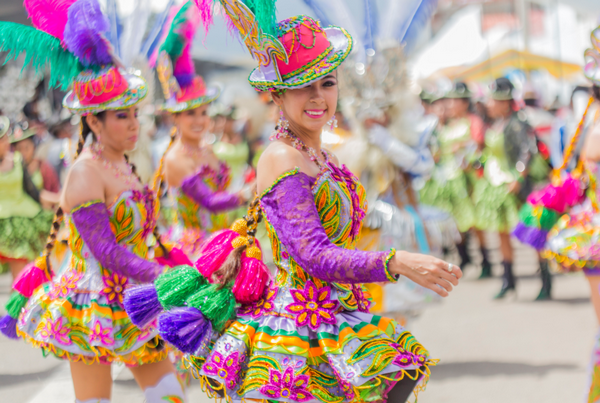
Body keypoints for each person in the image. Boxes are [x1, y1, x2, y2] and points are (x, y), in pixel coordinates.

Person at [127, 7, 463, 402]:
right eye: (304, 86)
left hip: (338, 314)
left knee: (398, 375)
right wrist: (396, 262)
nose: (318, 96)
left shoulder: (325, 157)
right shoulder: (282, 157)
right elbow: (312, 253)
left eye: (327, 82)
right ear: (278, 94)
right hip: (298, 332)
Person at [0, 1, 186, 402]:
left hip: (138, 296)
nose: (134, 123)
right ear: (93, 121)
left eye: (135, 113)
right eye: (122, 116)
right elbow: (105, 250)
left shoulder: (122, 164)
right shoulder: (85, 172)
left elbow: (142, 233)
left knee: (171, 395)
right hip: (95, 304)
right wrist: (162, 275)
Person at [151, 2, 250, 260]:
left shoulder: (207, 149)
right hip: (191, 253)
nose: (199, 120)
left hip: (220, 243)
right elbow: (210, 202)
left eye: (204, 112)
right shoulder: (175, 159)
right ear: (175, 118)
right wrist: (248, 193)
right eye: (190, 114)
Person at [473, 77, 549, 299]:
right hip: (496, 184)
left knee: (533, 230)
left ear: (505, 102)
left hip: (517, 185)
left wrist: (519, 176)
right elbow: (490, 152)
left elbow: (528, 150)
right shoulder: (494, 124)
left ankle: (545, 281)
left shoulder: (518, 123)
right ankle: (509, 280)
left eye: (494, 100)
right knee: (500, 232)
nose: (489, 104)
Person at [420, 82, 482, 273]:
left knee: (473, 220)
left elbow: (477, 143)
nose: (449, 106)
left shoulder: (470, 121)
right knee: (455, 219)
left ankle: (483, 257)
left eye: (453, 101)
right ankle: (464, 256)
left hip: (467, 176)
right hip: (447, 178)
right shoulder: (441, 128)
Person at [0, 117, 54, 280]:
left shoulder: (17, 161)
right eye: (4, 139)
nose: (7, 142)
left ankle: (19, 305)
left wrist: (59, 200)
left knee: (20, 276)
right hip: (2, 225)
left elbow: (33, 193)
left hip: (21, 224)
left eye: (6, 139)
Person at [10, 122, 61, 198]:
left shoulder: (44, 168)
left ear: (33, 147)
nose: (23, 153)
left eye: (27, 148)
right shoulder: (10, 169)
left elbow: (54, 191)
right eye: (19, 149)